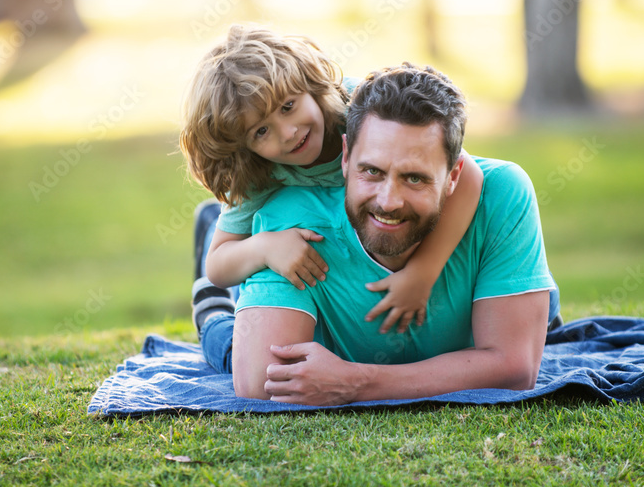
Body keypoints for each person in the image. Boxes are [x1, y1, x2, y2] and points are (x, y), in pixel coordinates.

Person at [219, 64, 560, 405]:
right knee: (222, 336)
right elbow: (259, 384)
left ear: (454, 175)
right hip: (258, 251)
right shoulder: (291, 226)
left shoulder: (501, 193)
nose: (388, 202)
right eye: (372, 171)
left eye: (414, 178)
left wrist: (358, 383)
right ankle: (212, 288)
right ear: (345, 158)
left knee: (544, 313)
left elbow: (515, 370)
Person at [179, 25, 484, 345]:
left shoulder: (365, 111)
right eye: (261, 131)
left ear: (309, 84)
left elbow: (470, 176)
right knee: (238, 340)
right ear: (244, 146)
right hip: (286, 265)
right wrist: (265, 247)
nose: (288, 132)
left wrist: (423, 272)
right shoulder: (260, 171)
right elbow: (218, 265)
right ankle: (213, 293)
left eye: (288, 107)